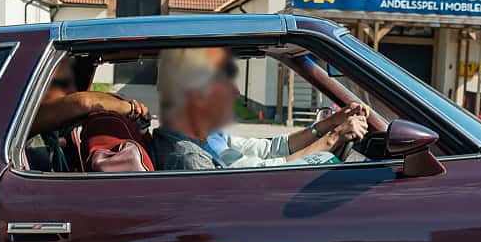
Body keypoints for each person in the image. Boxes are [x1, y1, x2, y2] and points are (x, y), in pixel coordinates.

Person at [149, 46, 367, 171]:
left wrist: (328, 125)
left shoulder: (206, 137)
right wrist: (333, 138)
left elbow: (264, 150)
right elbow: (263, 172)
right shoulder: (189, 158)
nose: (235, 93)